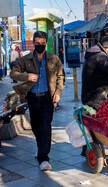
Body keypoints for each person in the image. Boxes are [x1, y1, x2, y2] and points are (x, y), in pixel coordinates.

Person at [10, 31, 65, 171]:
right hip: (33, 98)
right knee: (35, 126)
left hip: (48, 98)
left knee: (45, 127)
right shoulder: (26, 59)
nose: (40, 45)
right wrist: (27, 76)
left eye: (42, 43)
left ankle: (44, 159)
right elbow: (13, 73)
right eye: (37, 43)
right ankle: (41, 147)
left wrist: (58, 93)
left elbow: (60, 76)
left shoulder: (54, 59)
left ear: (46, 43)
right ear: (33, 42)